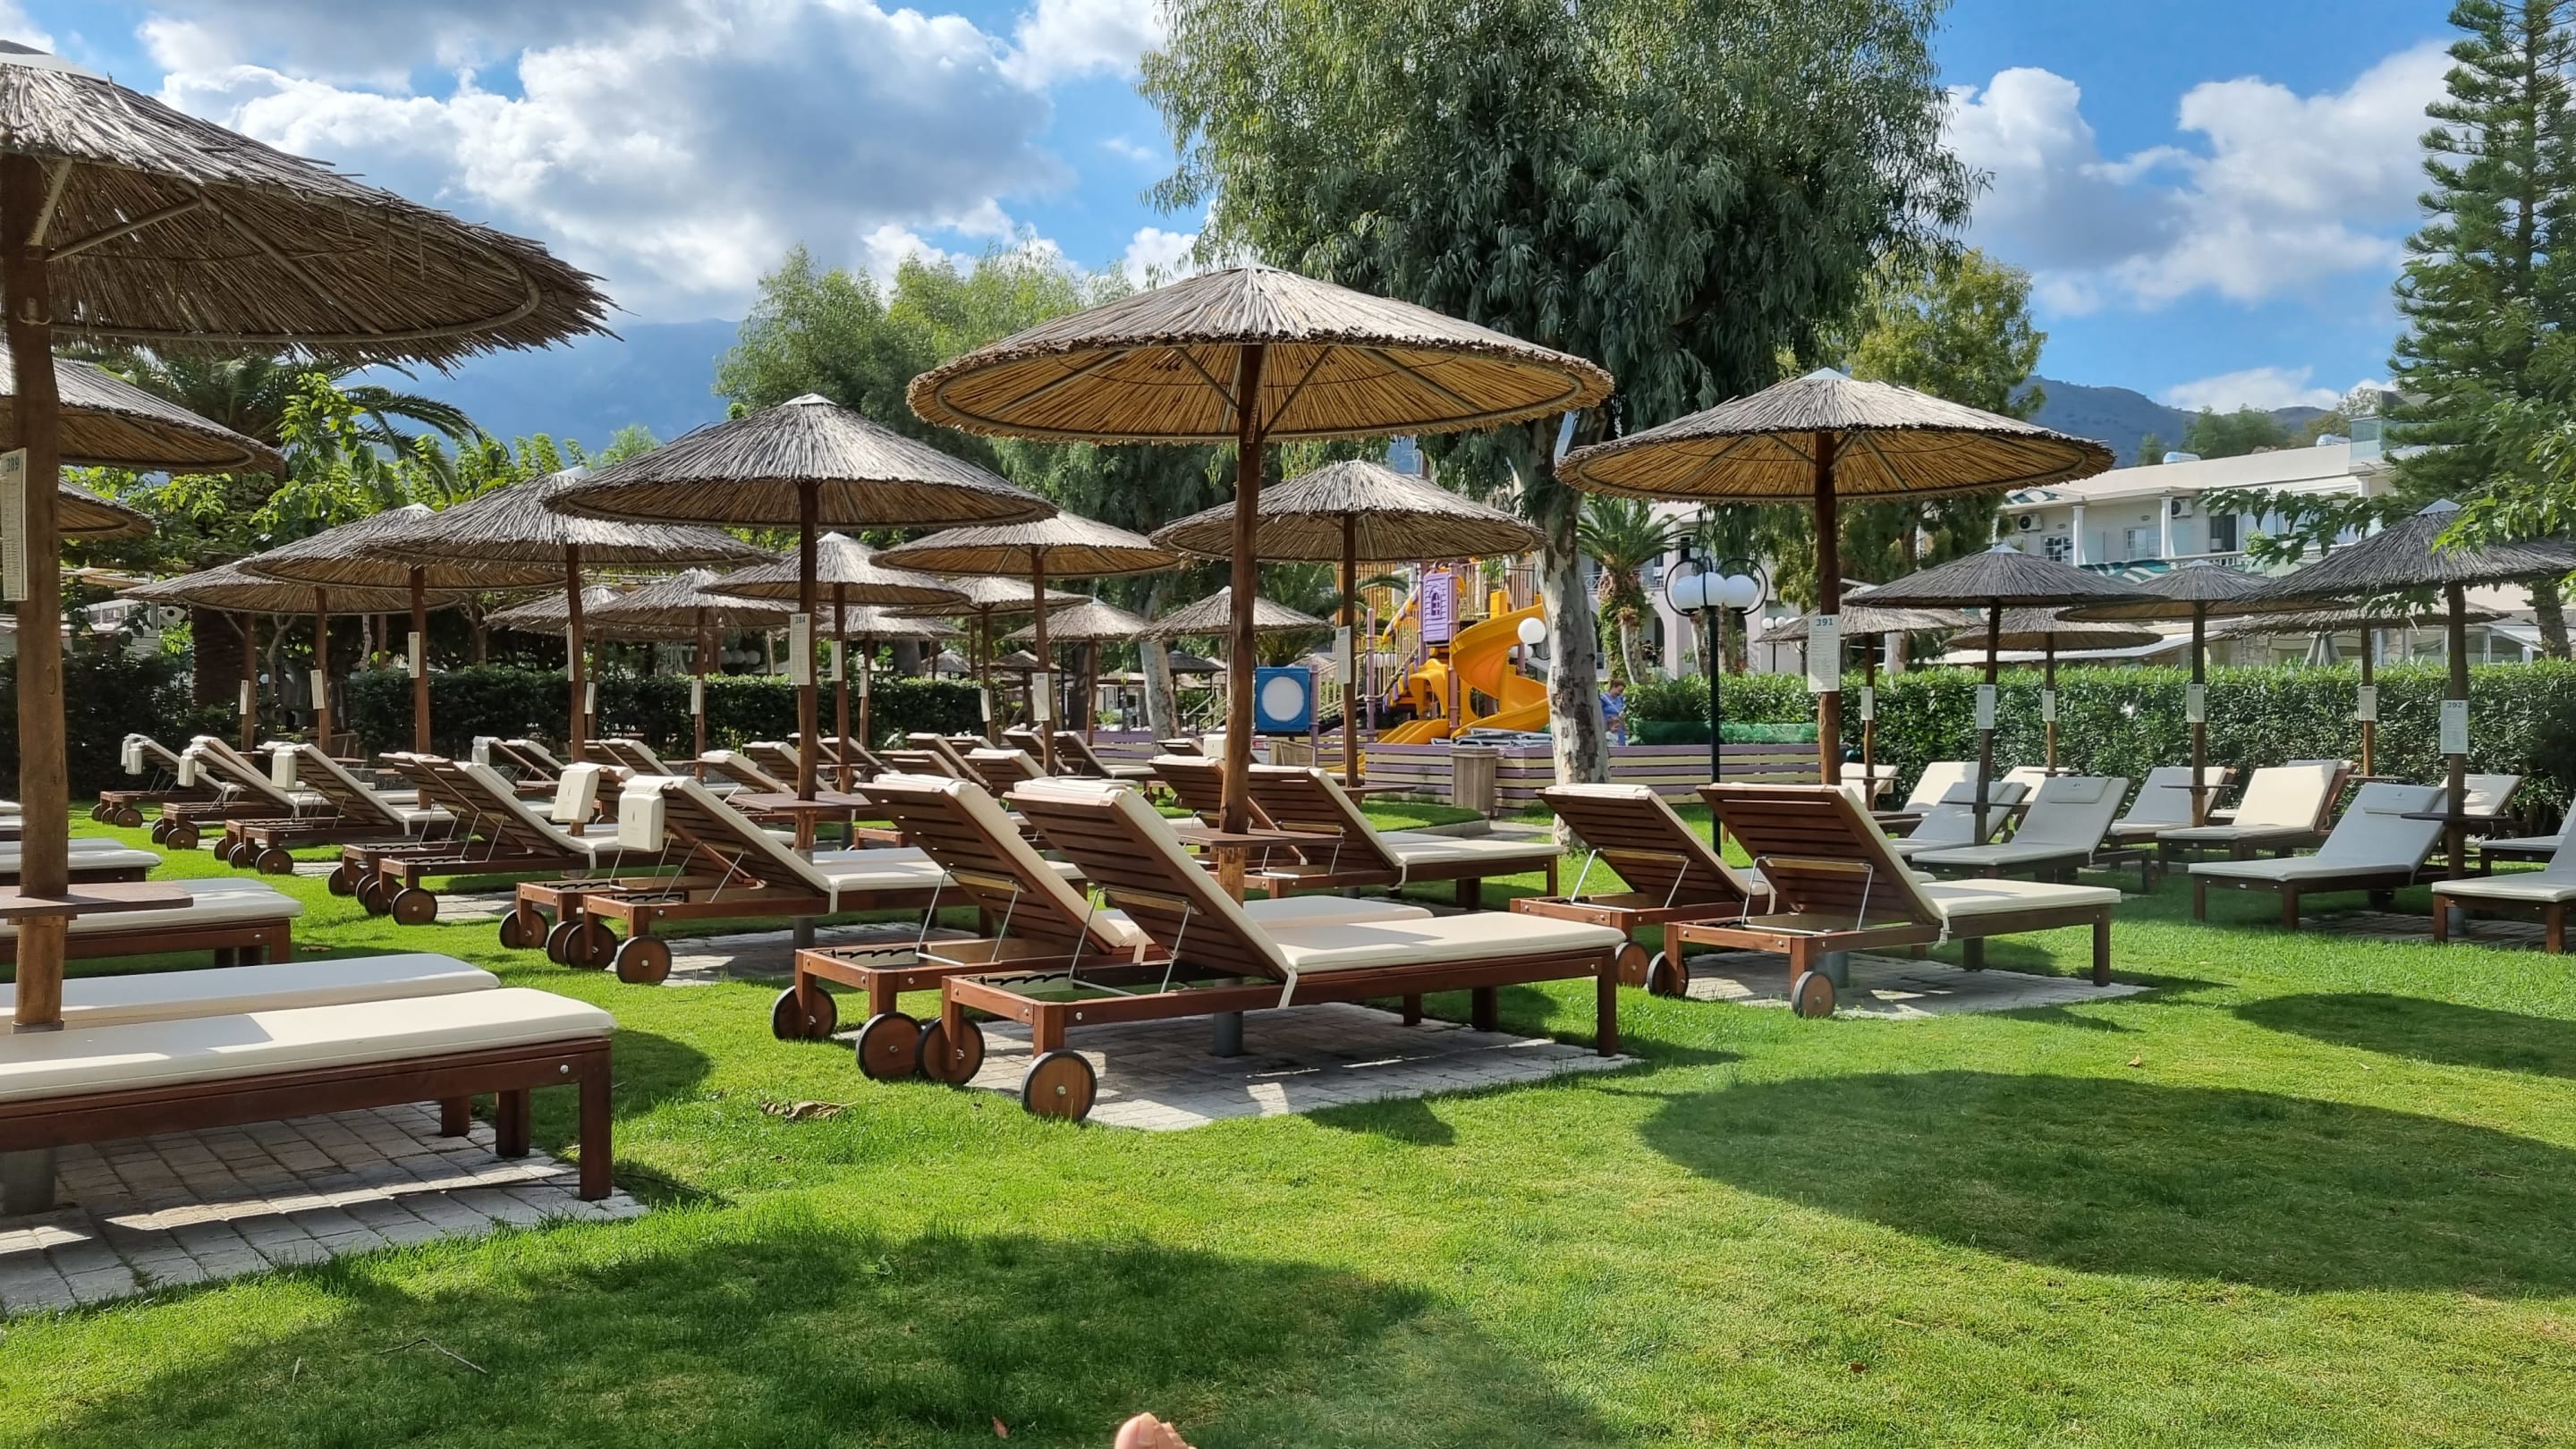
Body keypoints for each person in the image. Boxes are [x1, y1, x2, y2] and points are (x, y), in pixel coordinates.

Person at [1600, 678, 1627, 747]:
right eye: (1619, 691)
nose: (1620, 693)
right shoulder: (1603, 698)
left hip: (1619, 729)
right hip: (1609, 729)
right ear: (1614, 686)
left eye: (1622, 692)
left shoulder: (1620, 699)